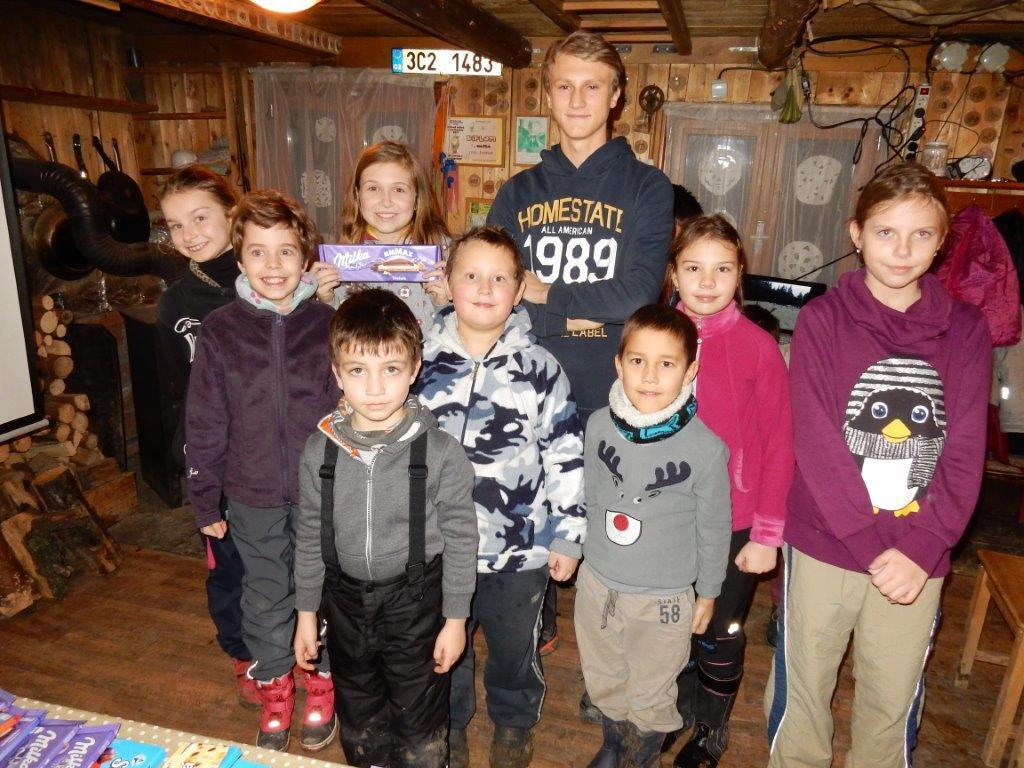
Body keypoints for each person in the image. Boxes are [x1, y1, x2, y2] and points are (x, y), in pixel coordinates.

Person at [765, 162, 991, 767]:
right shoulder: (822, 320)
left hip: (918, 556)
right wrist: (866, 541)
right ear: (856, 234)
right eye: (886, 232)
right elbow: (816, 441)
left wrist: (925, 546)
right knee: (803, 691)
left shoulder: (967, 331)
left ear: (941, 242)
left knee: (890, 705)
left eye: (922, 234)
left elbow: (964, 450)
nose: (903, 249)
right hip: (825, 542)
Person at [415, 226, 586, 768]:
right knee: (445, 647)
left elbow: (565, 454)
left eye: (499, 278)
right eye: (471, 275)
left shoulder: (541, 369)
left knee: (515, 650)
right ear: (447, 284)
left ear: (518, 291)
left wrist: (568, 534)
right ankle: (451, 722)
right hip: (438, 548)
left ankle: (513, 723)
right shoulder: (418, 362)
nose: (485, 289)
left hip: (520, 550)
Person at [293, 289, 478, 768]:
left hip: (415, 604)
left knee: (419, 724)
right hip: (344, 604)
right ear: (337, 374)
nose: (375, 389)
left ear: (414, 368)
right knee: (359, 714)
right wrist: (306, 612)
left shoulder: (441, 452)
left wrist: (455, 620)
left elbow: (462, 539)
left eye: (391, 369)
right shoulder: (319, 451)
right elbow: (309, 532)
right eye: (358, 371)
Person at [185, 190, 340, 752]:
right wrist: (204, 496)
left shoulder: (327, 324)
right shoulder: (220, 330)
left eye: (286, 252)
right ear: (240, 257)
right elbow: (204, 417)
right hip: (250, 495)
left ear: (306, 257)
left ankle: (321, 679)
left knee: (323, 587)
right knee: (266, 594)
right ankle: (275, 684)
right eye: (258, 252)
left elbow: (348, 411)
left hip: (321, 493)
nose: (273, 266)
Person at [486, 31, 674, 423]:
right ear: (549, 95)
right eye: (564, 86)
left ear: (614, 96)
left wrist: (546, 293)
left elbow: (637, 296)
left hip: (612, 400)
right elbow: (494, 294)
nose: (576, 101)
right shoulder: (516, 193)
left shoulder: (649, 187)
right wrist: (570, 316)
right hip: (520, 393)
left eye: (592, 86)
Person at [576, 304, 731, 768]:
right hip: (597, 584)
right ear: (618, 363)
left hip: (663, 600)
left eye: (666, 363)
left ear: (690, 371)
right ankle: (612, 744)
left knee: (651, 690)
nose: (649, 375)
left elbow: (713, 526)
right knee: (604, 677)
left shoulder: (705, 449)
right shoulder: (598, 425)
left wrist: (708, 593)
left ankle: (638, 758)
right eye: (638, 360)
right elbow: (588, 496)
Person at [665, 215, 793, 768]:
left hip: (735, 520)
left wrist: (766, 535)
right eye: (693, 268)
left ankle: (710, 727)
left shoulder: (758, 348)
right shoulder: (652, 336)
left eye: (722, 269)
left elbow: (778, 445)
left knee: (720, 628)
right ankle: (674, 710)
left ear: (740, 274)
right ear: (674, 273)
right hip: (666, 515)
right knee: (671, 621)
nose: (707, 281)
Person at [156, 166, 254, 707]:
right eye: (176, 225)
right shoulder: (174, 303)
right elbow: (179, 388)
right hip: (211, 461)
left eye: (200, 218)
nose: (189, 234)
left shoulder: (267, 275)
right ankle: (243, 653)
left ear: (231, 214)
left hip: (269, 453)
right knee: (227, 567)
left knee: (286, 560)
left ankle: (298, 650)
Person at [311, 141, 450, 328]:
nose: (386, 201)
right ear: (357, 195)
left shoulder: (443, 252)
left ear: (417, 198)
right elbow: (341, 332)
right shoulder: (343, 257)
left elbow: (465, 328)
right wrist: (327, 299)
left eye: (398, 189)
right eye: (373, 188)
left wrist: (444, 302)